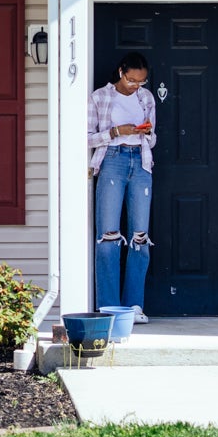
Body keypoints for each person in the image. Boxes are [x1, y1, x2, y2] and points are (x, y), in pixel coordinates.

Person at [88, 52, 156, 322]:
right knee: (108, 236)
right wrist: (117, 132)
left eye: (141, 81)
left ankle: (134, 306)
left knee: (140, 235)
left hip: (141, 161)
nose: (135, 86)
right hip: (112, 161)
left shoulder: (146, 98)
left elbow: (153, 139)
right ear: (120, 72)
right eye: (131, 80)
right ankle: (109, 307)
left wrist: (144, 132)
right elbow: (87, 138)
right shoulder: (100, 97)